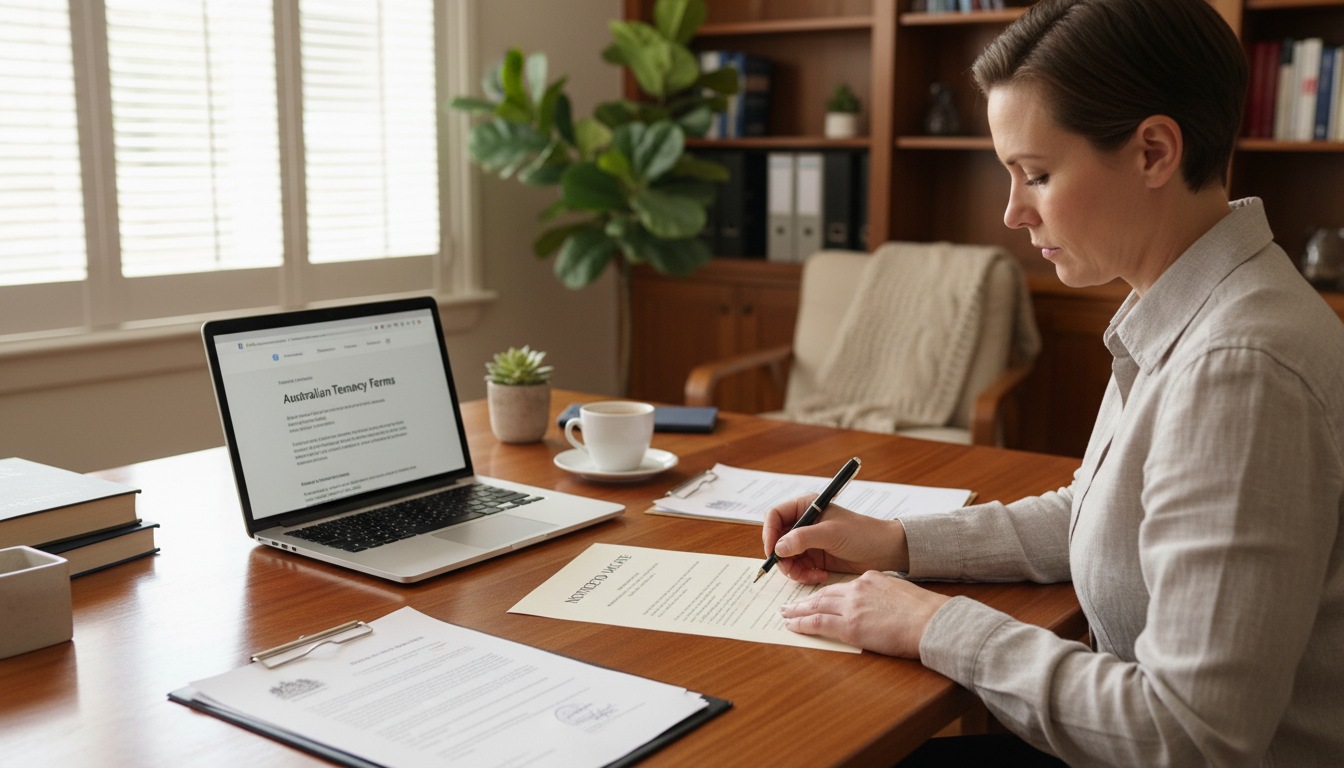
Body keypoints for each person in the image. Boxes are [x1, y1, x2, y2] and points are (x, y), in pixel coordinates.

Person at [763, 0, 1344, 765]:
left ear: (1153, 152)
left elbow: (1193, 738)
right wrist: (896, 543)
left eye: (1035, 173)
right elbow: (1103, 510)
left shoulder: (1237, 367)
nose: (1011, 212)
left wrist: (933, 625)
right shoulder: (1186, 303)